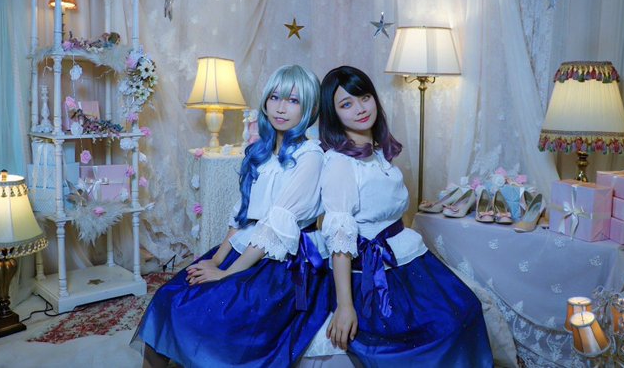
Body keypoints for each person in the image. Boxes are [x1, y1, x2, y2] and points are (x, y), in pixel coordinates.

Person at [132, 64, 333, 367]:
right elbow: (243, 214)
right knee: (168, 297)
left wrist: (227, 274)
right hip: (248, 246)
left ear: (310, 109)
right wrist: (216, 259)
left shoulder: (310, 156)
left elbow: (276, 228)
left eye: (293, 101)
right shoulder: (261, 152)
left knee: (209, 308)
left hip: (284, 262)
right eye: (275, 97)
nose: (281, 108)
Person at [318, 65, 493, 367]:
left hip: (405, 255)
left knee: (465, 309)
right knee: (433, 333)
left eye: (364, 97)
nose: (360, 108)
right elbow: (339, 237)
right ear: (333, 114)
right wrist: (345, 305)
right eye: (347, 104)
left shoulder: (376, 152)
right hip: (372, 272)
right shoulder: (340, 163)